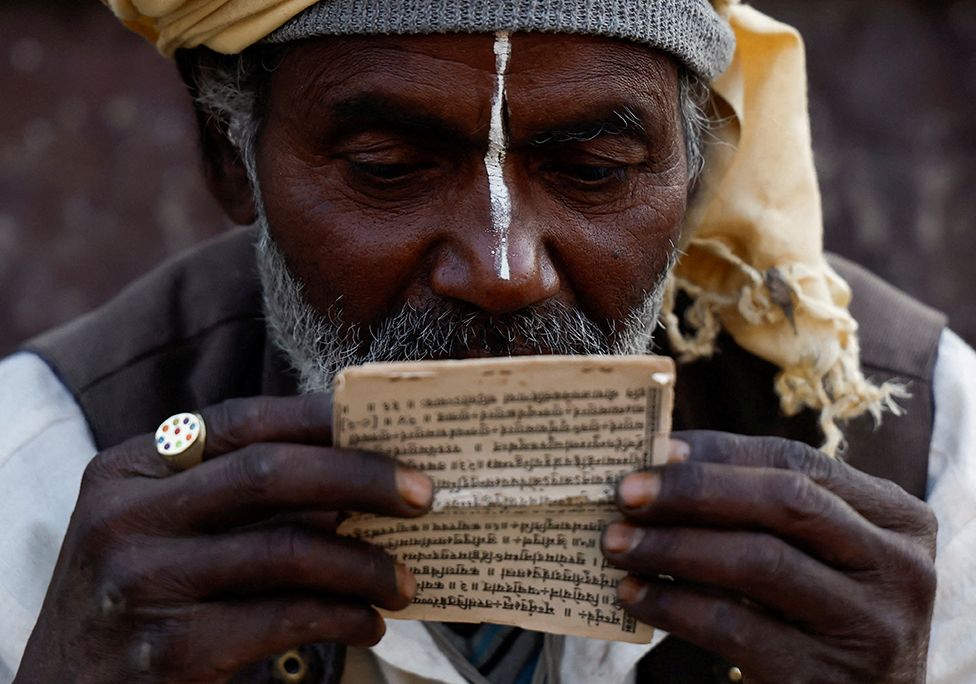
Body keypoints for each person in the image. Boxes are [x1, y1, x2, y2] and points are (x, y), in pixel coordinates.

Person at [2, 0, 974, 682]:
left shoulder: (933, 449)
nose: (504, 269)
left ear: (697, 175)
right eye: (388, 167)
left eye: (593, 168)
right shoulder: (40, 470)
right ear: (234, 163)